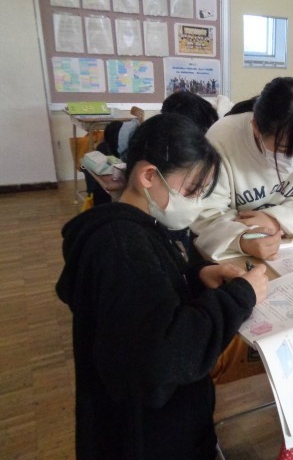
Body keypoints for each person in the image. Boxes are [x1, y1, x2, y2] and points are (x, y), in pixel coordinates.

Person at [56, 113, 269, 460]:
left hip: (147, 427)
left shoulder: (136, 229)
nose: (196, 203)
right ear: (148, 176)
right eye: (192, 191)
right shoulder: (122, 247)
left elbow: (148, 305)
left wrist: (195, 278)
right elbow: (164, 356)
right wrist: (239, 297)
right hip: (144, 439)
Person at [191, 77, 293, 261]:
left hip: (287, 245)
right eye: (283, 149)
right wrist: (241, 239)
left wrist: (274, 221)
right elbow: (206, 216)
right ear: (256, 128)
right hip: (230, 250)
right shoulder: (223, 137)